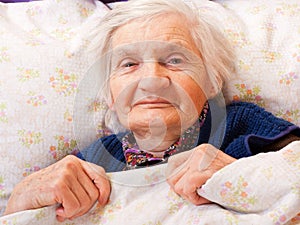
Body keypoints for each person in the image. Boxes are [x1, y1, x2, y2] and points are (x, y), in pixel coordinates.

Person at [3, 0, 300, 221]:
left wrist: (240, 176)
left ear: (211, 81)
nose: (151, 80)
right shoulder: (96, 159)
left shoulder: (243, 124)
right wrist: (21, 200)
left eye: (174, 59)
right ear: (110, 95)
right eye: (128, 64)